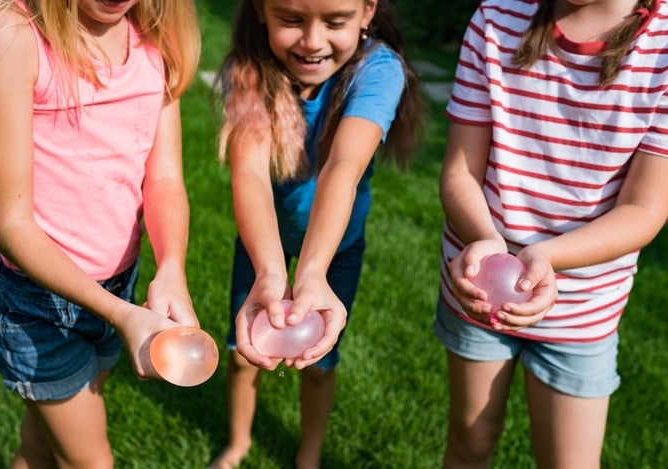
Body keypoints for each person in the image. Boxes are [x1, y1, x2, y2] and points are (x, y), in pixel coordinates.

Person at [0, 0, 201, 467]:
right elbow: (11, 224)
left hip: (117, 288)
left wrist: (171, 270)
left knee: (42, 444)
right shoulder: (15, 34)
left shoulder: (155, 35)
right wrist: (122, 316)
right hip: (36, 304)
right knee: (90, 461)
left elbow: (164, 180)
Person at [436, 0, 668, 467]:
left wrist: (548, 256)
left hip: (584, 308)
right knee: (470, 443)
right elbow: (460, 170)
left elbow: (645, 209)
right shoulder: (496, 18)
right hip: (478, 286)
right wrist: (487, 240)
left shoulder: (661, 49)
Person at [207, 1, 423, 468]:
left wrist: (312, 274)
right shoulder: (250, 68)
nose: (312, 40)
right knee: (244, 354)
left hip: (334, 252)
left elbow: (341, 170)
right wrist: (269, 271)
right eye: (291, 19)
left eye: (335, 21)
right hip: (262, 242)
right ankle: (239, 442)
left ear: (367, 12)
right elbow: (249, 174)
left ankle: (308, 455)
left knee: (319, 364)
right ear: (261, 11)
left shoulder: (379, 70)